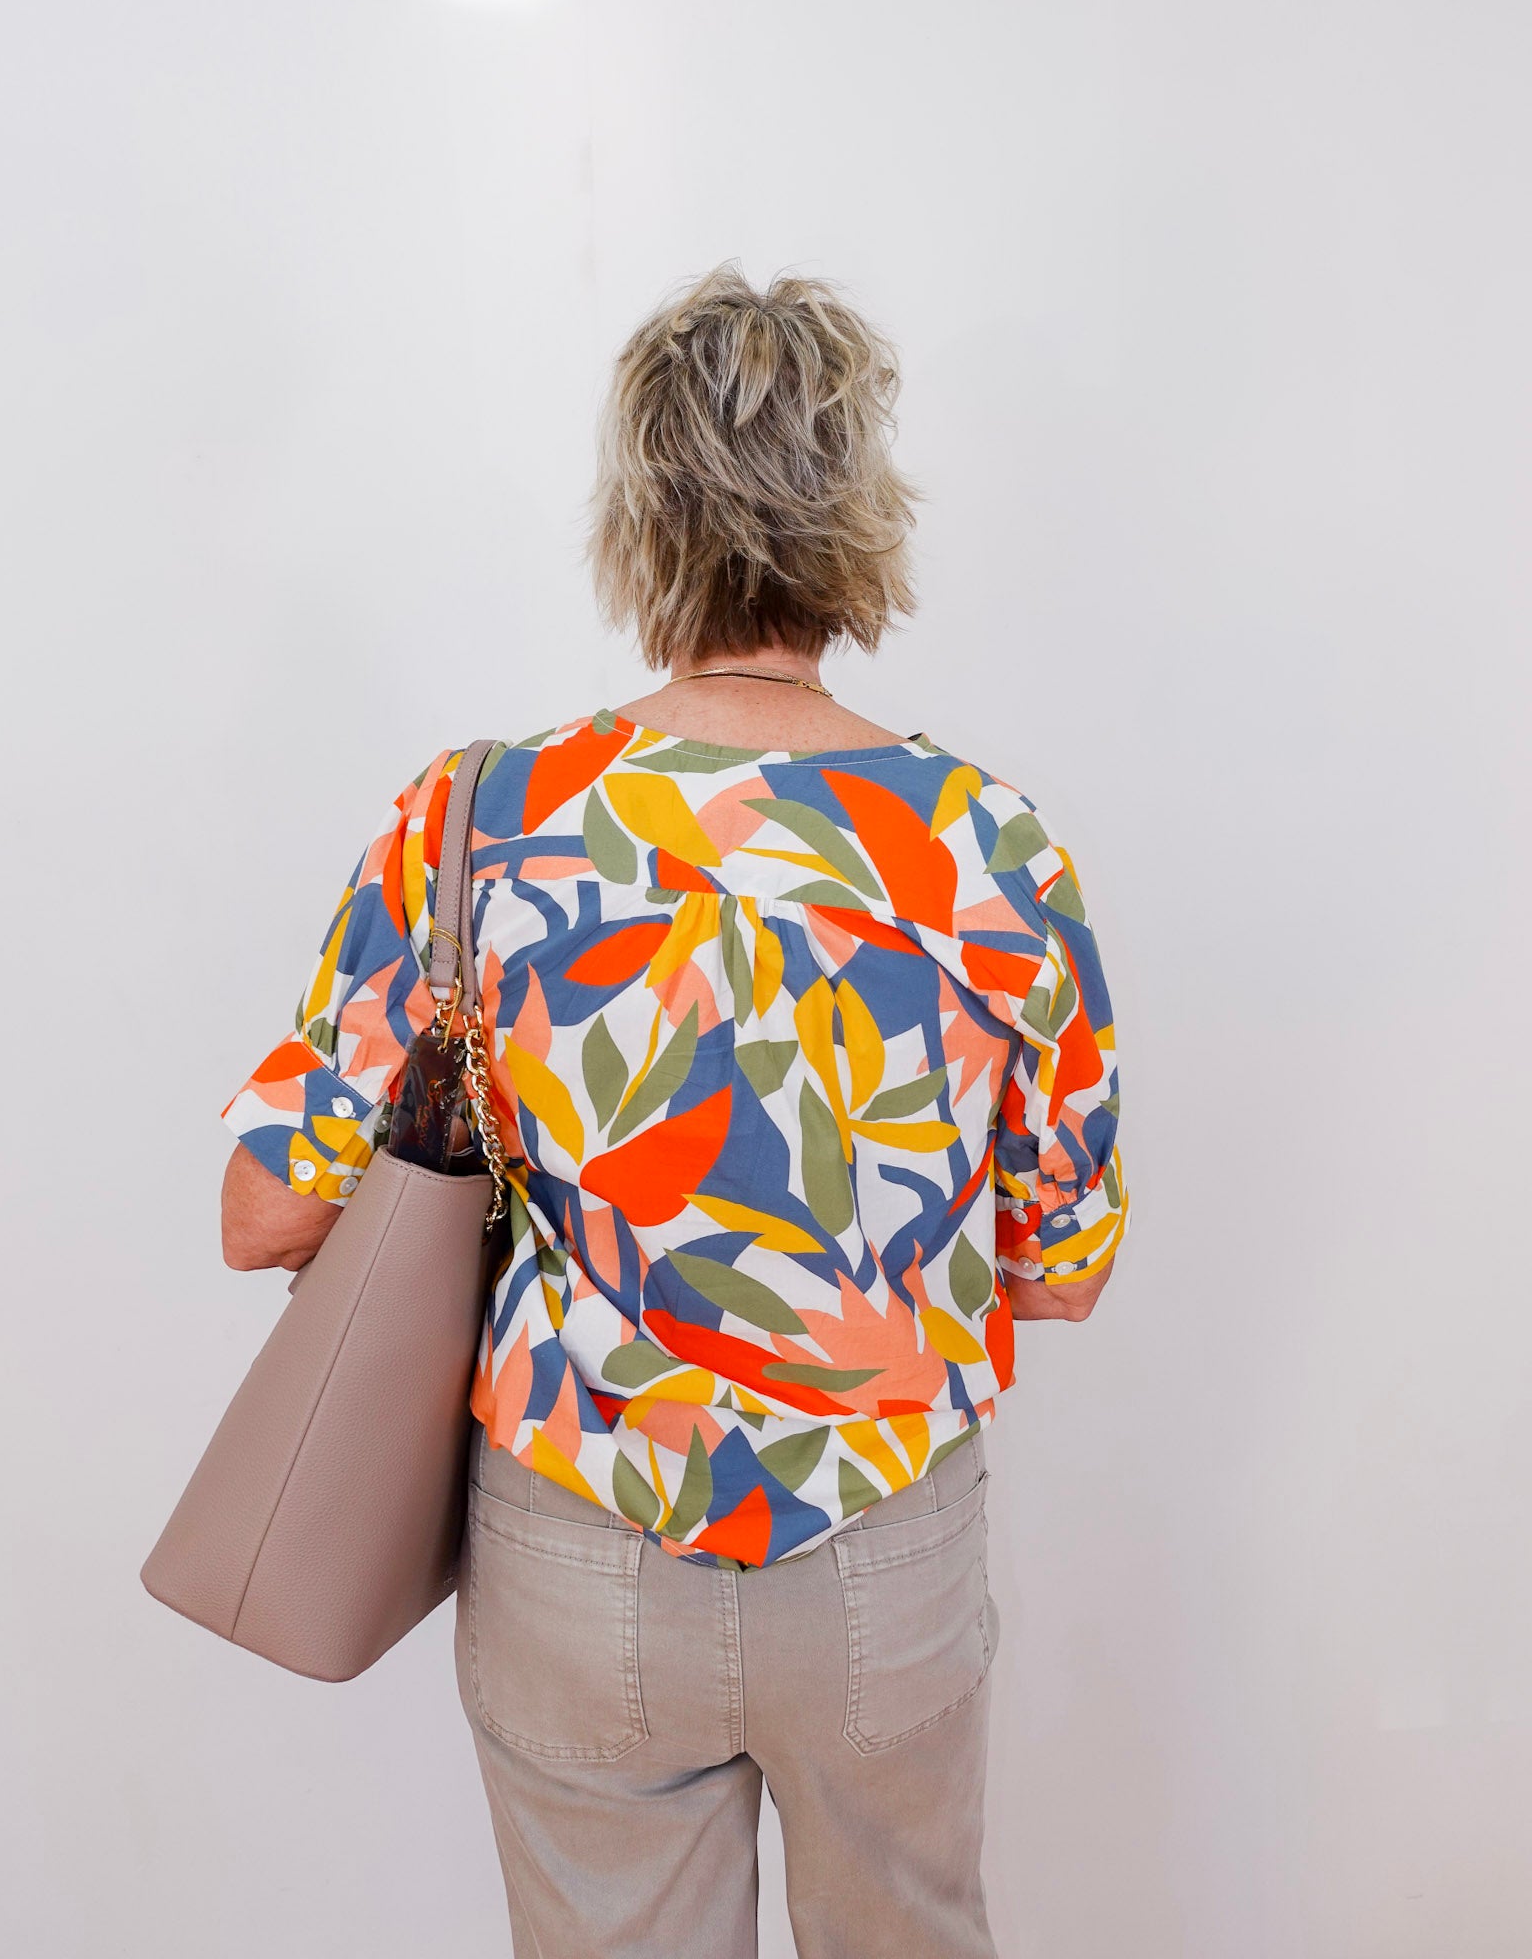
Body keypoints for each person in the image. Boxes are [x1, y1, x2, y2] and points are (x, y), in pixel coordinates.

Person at [219, 262, 1130, 1958]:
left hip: (579, 1542)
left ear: (637, 516)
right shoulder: (996, 848)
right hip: (882, 1544)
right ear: (865, 518)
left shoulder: (477, 820)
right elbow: (1062, 1263)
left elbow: (266, 1216)